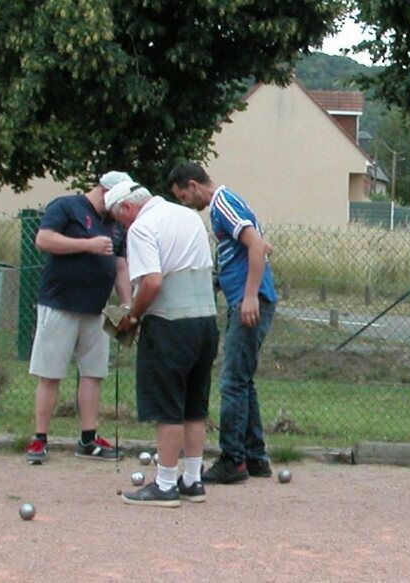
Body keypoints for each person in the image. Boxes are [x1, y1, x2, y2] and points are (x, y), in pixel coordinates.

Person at [110, 180, 219, 507]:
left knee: (168, 404)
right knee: (194, 404)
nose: (123, 226)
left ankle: (166, 483)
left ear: (128, 208)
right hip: (206, 320)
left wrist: (132, 315)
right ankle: (193, 479)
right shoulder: (187, 215)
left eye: (120, 220)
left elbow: (152, 281)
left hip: (169, 323)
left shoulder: (142, 227)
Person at [168, 162, 279, 484]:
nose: (185, 202)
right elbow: (257, 242)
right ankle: (255, 457)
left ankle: (233, 459)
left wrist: (249, 296)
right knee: (243, 381)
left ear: (193, 184)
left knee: (232, 382)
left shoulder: (221, 203)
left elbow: (256, 245)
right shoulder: (228, 201)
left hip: (249, 302)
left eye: (183, 195)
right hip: (246, 297)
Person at [24, 171, 133, 464]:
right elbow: (44, 240)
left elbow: (121, 266)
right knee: (50, 373)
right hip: (60, 304)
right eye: (120, 199)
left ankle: (88, 437)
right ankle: (39, 438)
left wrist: (127, 305)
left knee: (94, 372)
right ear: (105, 190)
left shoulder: (115, 225)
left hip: (96, 308)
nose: (123, 207)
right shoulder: (66, 206)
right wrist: (87, 245)